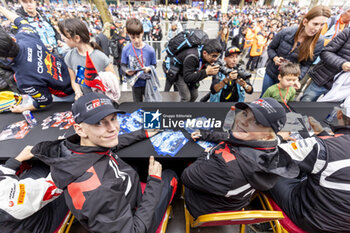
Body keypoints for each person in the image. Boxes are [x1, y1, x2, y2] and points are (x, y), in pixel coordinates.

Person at [32, 92, 178, 233]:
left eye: (113, 118)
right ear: (80, 130)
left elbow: (107, 143)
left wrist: (142, 133)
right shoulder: (99, 189)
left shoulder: (77, 147)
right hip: (136, 219)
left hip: (122, 200)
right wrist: (154, 181)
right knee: (170, 174)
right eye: (99, 123)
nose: (113, 129)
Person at [182, 98, 298, 218]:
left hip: (204, 209)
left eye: (256, 122)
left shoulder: (226, 167)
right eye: (245, 113)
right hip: (234, 205)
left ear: (267, 135)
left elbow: (187, 177)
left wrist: (206, 153)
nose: (243, 122)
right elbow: (233, 137)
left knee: (172, 173)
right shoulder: (271, 147)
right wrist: (208, 135)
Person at [268, 95, 350, 233]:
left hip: (313, 221)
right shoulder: (324, 146)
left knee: (269, 173)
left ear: (340, 114)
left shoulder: (321, 147)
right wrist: (322, 133)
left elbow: (268, 156)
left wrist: (280, 137)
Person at [0, 6, 73, 113]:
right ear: (12, 38)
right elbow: (20, 21)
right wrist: (2, 9)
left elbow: (44, 101)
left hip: (66, 94)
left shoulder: (23, 78)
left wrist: (23, 109)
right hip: (72, 72)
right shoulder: (26, 36)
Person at [261, 6, 331, 95]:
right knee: (264, 97)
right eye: (315, 24)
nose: (317, 28)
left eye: (322, 25)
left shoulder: (319, 42)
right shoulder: (287, 31)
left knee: (279, 103)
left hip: (288, 80)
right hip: (272, 73)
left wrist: (296, 79)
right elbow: (271, 48)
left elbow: (307, 64)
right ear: (305, 21)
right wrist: (275, 58)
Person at [0, 146, 68, 233]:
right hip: (43, 223)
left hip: (23, 206)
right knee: (75, 175)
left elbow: (2, 175)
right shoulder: (6, 202)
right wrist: (63, 150)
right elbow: (54, 185)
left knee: (41, 165)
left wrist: (18, 159)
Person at [58, 18, 115, 100]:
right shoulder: (69, 57)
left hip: (103, 101)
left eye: (64, 35)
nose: (62, 38)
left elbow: (113, 83)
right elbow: (74, 80)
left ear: (77, 38)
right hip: (86, 101)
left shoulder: (101, 57)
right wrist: (78, 92)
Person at [301, 27, 350, 102]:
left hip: (342, 90)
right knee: (304, 105)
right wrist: (342, 64)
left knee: (327, 113)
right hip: (322, 80)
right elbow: (325, 52)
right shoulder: (347, 32)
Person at [121, 18, 157, 102]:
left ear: (142, 32)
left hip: (148, 83)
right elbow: (123, 65)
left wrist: (148, 69)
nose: (136, 40)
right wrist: (126, 71)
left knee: (149, 104)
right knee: (137, 105)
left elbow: (154, 65)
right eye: (133, 37)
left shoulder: (150, 50)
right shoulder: (126, 49)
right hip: (135, 83)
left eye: (138, 37)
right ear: (128, 35)